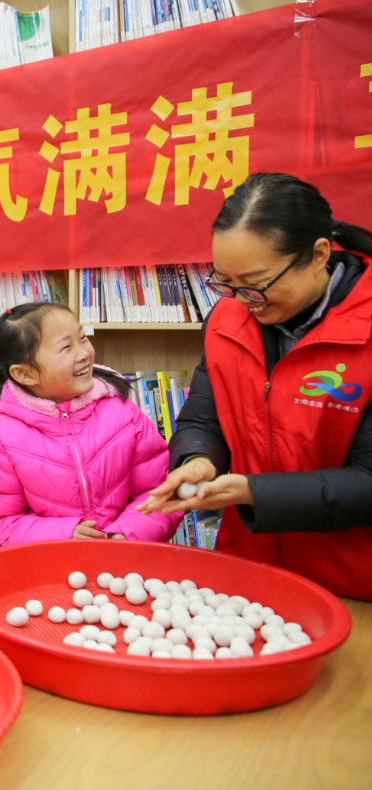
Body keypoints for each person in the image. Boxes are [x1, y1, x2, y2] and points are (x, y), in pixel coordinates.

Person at [139, 173, 372, 601]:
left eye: (256, 283)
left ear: (318, 255)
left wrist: (255, 493)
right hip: (247, 574)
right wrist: (197, 460)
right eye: (225, 282)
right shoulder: (226, 321)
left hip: (351, 585)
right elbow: (203, 420)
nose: (243, 300)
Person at [0, 302, 181, 546]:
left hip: (126, 556)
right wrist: (64, 534)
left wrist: (127, 534)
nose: (84, 353)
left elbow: (161, 491)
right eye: (66, 347)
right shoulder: (1, 436)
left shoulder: (123, 412)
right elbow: (0, 521)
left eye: (83, 338)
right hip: (55, 562)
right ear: (24, 374)